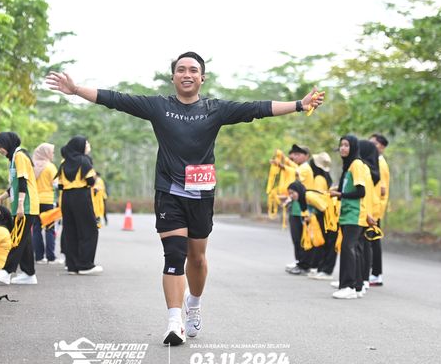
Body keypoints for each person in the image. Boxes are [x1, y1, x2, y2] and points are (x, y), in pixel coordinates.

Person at [47, 51, 324, 346]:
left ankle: (194, 303)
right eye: (181, 69)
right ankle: (174, 322)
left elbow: (258, 108)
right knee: (174, 255)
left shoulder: (215, 109)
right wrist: (76, 90)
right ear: (173, 77)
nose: (187, 74)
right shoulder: (159, 107)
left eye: (193, 70)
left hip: (201, 195)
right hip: (169, 192)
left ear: (202, 78)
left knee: (198, 259)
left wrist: (299, 104)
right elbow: (116, 99)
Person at [0, 132, 40, 285]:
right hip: (23, 205)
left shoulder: (19, 156)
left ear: (7, 143)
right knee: (25, 241)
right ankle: (29, 274)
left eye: (0, 147)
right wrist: (1, 197)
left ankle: (6, 271)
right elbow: (15, 184)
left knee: (17, 239)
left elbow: (22, 182)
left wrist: (20, 205)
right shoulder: (14, 158)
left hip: (26, 205)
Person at [329, 135, 368, 300]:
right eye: (341, 145)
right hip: (347, 214)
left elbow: (361, 192)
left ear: (353, 147)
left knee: (347, 248)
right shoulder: (349, 165)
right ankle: (358, 286)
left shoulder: (357, 164)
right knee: (353, 250)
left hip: (354, 214)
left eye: (346, 145)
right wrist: (338, 192)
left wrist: (340, 194)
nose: (343, 148)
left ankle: (348, 286)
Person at [57, 136, 102, 275]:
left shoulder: (64, 162)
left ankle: (72, 266)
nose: (88, 145)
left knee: (70, 231)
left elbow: (60, 185)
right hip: (81, 196)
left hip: (66, 198)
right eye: (86, 143)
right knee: (89, 230)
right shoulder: (84, 160)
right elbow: (90, 181)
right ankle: (85, 265)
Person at [307, 152, 339, 280]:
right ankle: (322, 268)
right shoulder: (325, 177)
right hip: (328, 212)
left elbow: (319, 197)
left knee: (328, 242)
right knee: (327, 242)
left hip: (325, 213)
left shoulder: (319, 178)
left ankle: (326, 270)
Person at [284, 144, 314, 273]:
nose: (294, 157)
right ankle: (299, 262)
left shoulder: (305, 168)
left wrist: (283, 164)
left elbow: (293, 172)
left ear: (306, 156)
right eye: (294, 154)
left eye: (298, 154)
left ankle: (304, 264)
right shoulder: (299, 167)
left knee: (302, 238)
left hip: (303, 208)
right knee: (297, 238)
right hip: (296, 207)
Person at [358, 139, 381, 295]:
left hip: (367, 211)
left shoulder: (365, 168)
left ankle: (363, 278)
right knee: (366, 245)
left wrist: (367, 213)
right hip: (370, 210)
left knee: (364, 246)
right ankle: (363, 278)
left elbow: (365, 194)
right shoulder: (372, 169)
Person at [33, 142, 60, 265]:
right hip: (48, 201)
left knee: (36, 229)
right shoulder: (50, 167)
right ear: (46, 153)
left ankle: (39, 257)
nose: (53, 154)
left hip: (35, 201)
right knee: (49, 228)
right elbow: (56, 184)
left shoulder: (33, 166)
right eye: (52, 152)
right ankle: (51, 257)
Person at [369, 133, 390, 286]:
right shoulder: (375, 161)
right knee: (372, 242)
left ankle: (376, 274)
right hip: (374, 207)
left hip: (375, 209)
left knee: (373, 242)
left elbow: (381, 190)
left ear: (381, 147)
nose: (371, 146)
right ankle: (374, 273)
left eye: (374, 143)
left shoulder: (380, 164)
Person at [285, 181, 308, 275]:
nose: (291, 195)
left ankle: (305, 264)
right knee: (296, 240)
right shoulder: (292, 199)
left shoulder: (305, 196)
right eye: (289, 193)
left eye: (292, 193)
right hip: (293, 215)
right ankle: (298, 261)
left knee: (303, 241)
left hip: (302, 216)